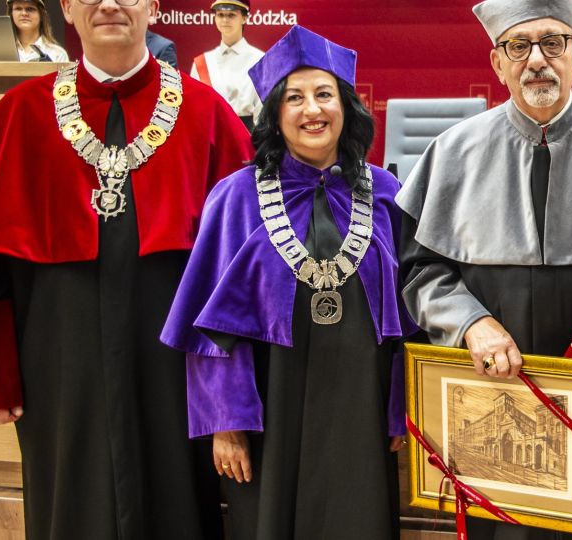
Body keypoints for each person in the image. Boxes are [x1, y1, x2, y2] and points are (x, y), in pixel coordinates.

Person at [0, 0, 254, 537]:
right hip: (57, 357)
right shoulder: (21, 111)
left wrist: (233, 390)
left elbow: (241, 270)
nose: (108, 3)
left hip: (178, 364)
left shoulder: (205, 112)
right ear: (70, 9)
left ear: (151, 6)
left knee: (176, 503)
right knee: (69, 502)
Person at [395, 1, 572, 538]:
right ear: (498, 63)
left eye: (553, 43)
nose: (537, 59)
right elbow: (419, 270)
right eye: (519, 46)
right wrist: (470, 322)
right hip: (489, 373)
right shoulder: (452, 151)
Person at [161, 25, 415, 539]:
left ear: (346, 107)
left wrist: (398, 411)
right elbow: (210, 333)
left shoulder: (388, 194)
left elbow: (408, 318)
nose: (311, 110)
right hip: (268, 411)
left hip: (359, 409)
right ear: (276, 115)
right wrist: (225, 424)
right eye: (294, 98)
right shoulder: (235, 198)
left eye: (324, 95)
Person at [191, 0, 264, 129]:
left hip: (249, 138)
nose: (225, 20)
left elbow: (263, 111)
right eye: (220, 15)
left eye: (231, 15)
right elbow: (195, 109)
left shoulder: (260, 60)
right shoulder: (202, 63)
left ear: (244, 18)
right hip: (211, 137)